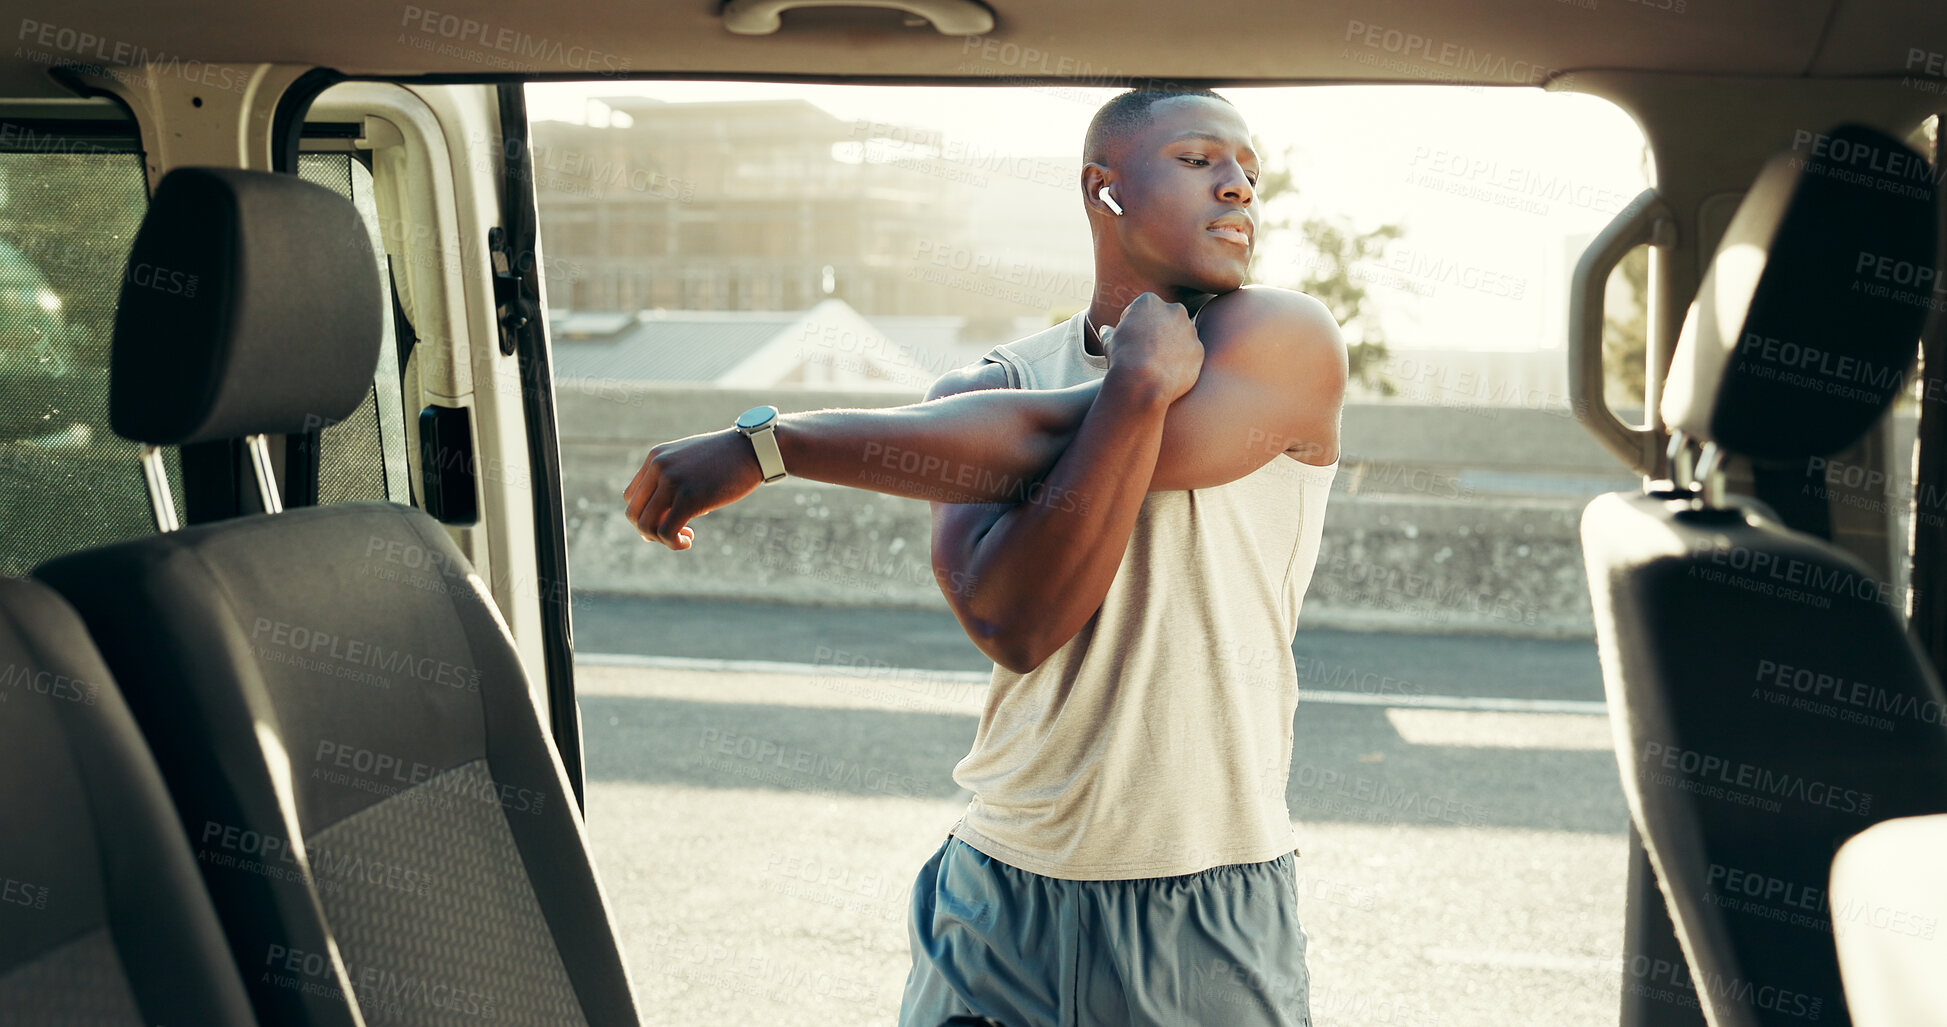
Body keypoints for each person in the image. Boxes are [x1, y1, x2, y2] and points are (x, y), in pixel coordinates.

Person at [622, 86, 1344, 1027]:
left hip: (1202, 892)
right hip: (999, 886)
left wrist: (776, 444)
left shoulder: (1281, 338)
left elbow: (1054, 439)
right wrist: (1133, 386)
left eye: (1250, 170)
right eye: (1201, 160)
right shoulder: (986, 383)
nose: (1239, 188)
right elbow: (1017, 622)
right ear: (1105, 188)